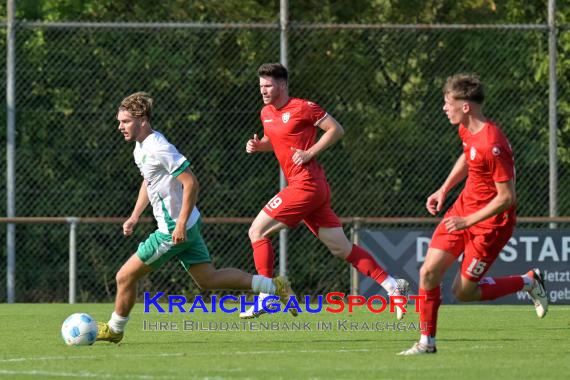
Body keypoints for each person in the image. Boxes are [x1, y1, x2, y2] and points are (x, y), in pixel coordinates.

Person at [96, 92, 296, 344]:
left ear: (143, 120)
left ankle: (115, 330)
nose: (119, 127)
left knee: (124, 276)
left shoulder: (159, 147)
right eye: (119, 121)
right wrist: (135, 216)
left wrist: (178, 224)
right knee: (208, 279)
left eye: (124, 121)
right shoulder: (140, 148)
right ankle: (274, 286)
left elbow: (191, 182)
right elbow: (149, 181)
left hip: (174, 229)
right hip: (187, 224)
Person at [241, 63, 410, 320]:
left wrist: (310, 152)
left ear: (283, 85)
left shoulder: (303, 107)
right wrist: (257, 145)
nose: (263, 90)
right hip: (310, 189)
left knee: (257, 231)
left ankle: (267, 293)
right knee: (341, 248)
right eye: (261, 85)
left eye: (268, 85)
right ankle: (392, 286)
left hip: (306, 185)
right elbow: (274, 142)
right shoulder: (266, 112)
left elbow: (336, 129)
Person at [399, 74, 548, 355]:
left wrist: (468, 221)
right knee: (428, 272)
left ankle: (528, 281)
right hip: (461, 211)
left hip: (490, 224)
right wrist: (444, 189)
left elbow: (507, 198)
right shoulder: (467, 129)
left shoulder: (494, 144)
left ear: (465, 106)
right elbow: (469, 158)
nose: (444, 107)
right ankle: (426, 343)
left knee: (463, 292)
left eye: (448, 102)